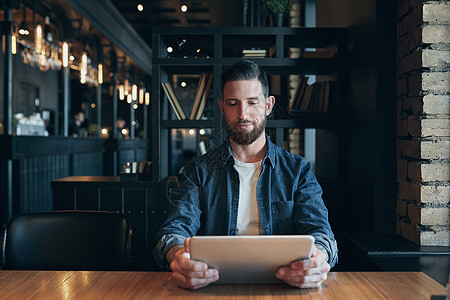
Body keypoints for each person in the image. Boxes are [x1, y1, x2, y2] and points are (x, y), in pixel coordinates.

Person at [153, 60, 338, 290]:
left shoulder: (298, 171)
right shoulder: (198, 171)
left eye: (252, 102)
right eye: (233, 103)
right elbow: (173, 232)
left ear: (268, 105)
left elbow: (323, 235)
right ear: (221, 106)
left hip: (285, 289)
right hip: (213, 288)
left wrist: (319, 259)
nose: (243, 114)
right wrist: (178, 257)